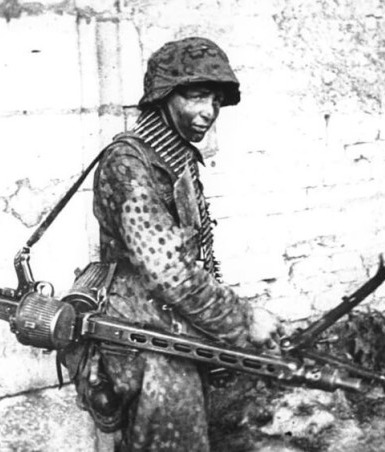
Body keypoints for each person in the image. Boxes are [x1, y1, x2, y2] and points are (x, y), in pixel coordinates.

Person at [73, 36, 281, 451]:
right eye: (198, 96)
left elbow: (194, 256)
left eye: (217, 101)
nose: (209, 112)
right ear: (164, 98)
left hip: (172, 332)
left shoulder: (176, 157)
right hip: (143, 343)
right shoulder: (128, 164)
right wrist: (243, 320)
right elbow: (169, 271)